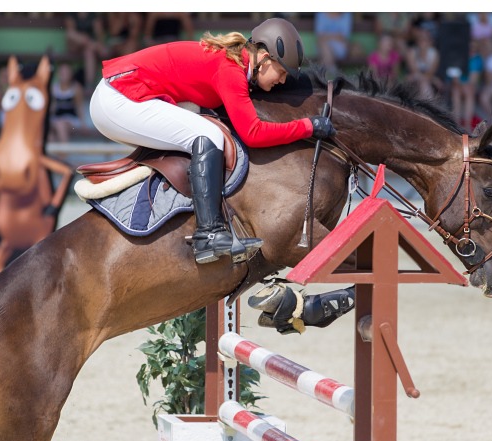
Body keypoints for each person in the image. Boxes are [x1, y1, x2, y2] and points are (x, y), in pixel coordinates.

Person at [89, 18, 336, 265]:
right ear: (262, 57)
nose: (282, 80)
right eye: (281, 72)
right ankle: (208, 234)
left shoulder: (236, 65)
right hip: (117, 99)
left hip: (124, 94)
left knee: (201, 121)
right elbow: (253, 133)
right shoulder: (230, 70)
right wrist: (308, 126)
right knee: (209, 135)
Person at [49, 62, 86, 158]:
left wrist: (83, 124)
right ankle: (54, 160)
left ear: (71, 74)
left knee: (60, 125)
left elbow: (79, 107)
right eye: (62, 73)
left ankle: (64, 156)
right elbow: (51, 109)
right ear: (58, 74)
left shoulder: (76, 88)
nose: (64, 75)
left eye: (66, 72)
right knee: (50, 134)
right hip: (56, 119)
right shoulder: (53, 88)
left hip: (71, 120)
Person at [65, 13, 109, 88]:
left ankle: (89, 84)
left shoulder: (93, 15)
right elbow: (70, 33)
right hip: (76, 45)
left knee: (89, 52)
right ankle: (93, 45)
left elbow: (99, 36)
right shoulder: (72, 14)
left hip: (89, 48)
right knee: (72, 35)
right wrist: (86, 40)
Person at [404, 28, 442, 99]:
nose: (422, 42)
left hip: (425, 79)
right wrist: (433, 79)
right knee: (423, 83)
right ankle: (429, 104)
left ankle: (426, 104)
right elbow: (414, 71)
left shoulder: (435, 54)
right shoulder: (411, 52)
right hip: (416, 78)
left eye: (425, 40)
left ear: (430, 42)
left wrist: (430, 78)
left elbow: (431, 73)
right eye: (420, 40)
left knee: (423, 84)